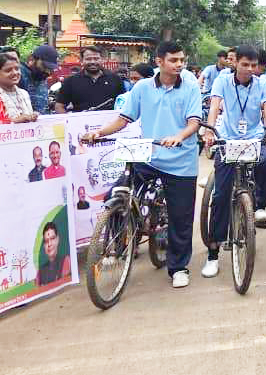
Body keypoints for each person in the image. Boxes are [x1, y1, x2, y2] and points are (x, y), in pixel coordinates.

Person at [80, 41, 203, 289]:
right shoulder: (142, 88)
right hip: (149, 155)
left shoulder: (190, 88)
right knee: (117, 192)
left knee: (181, 216)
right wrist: (100, 133)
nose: (179, 64)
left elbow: (194, 122)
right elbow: (124, 118)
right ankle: (116, 247)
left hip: (180, 160)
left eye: (182, 60)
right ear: (159, 62)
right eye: (173, 60)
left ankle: (179, 267)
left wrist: (179, 136)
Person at [200, 46, 266, 277]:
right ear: (235, 64)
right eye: (245, 64)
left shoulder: (263, 83)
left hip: (254, 138)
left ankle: (258, 206)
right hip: (227, 139)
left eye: (254, 65)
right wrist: (209, 132)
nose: (249, 69)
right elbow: (214, 107)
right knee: (221, 195)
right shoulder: (222, 82)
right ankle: (213, 253)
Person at [55, 46, 125, 113]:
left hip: (112, 123)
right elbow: (59, 106)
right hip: (81, 123)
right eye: (88, 59)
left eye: (96, 58)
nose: (92, 62)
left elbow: (124, 103)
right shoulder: (70, 81)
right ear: (82, 60)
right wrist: (69, 122)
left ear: (102, 60)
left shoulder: (115, 79)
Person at [0, 54, 38, 123]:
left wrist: (33, 117)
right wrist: (15, 121)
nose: (15, 73)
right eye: (8, 70)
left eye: (17, 69)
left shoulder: (24, 93)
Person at [19, 44, 60, 115]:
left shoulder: (41, 76)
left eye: (50, 69)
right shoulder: (19, 74)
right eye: (44, 66)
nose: (48, 72)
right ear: (32, 59)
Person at [36, 221, 71, 285]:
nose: (49, 244)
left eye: (52, 238)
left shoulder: (65, 261)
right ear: (44, 245)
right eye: (46, 241)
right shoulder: (40, 272)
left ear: (57, 239)